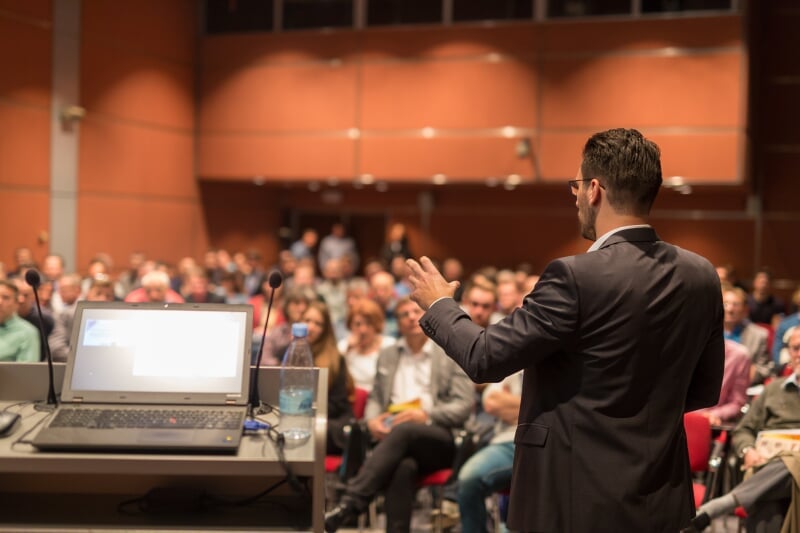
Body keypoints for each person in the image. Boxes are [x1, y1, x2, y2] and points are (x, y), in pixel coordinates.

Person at [405, 128, 725, 532]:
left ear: (594, 189)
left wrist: (439, 304)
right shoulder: (701, 275)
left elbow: (485, 358)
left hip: (572, 499)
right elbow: (703, 390)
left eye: (576, 185)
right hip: (662, 495)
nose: (574, 197)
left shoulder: (574, 276)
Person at [324, 297, 474, 533]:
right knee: (403, 466)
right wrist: (373, 420)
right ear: (398, 322)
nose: (410, 318)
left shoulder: (448, 352)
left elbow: (464, 404)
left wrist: (425, 416)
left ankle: (350, 502)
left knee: (405, 430)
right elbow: (376, 398)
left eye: (415, 312)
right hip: (396, 441)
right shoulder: (389, 354)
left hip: (440, 439)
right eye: (403, 314)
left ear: (427, 317)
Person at [686, 327, 800, 533]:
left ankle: (720, 505)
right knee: (770, 498)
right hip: (766, 465)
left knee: (780, 478)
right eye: (796, 348)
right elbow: (743, 430)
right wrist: (748, 450)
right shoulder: (774, 389)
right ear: (789, 353)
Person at [301, 299, 354, 455]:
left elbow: (337, 404)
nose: (311, 327)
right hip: (305, 418)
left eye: (318, 324)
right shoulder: (290, 352)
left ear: (325, 330)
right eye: (307, 320)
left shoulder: (335, 359)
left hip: (331, 421)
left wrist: (305, 410)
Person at [723, 285, 772, 385]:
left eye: (736, 305)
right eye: (725, 304)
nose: (730, 310)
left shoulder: (758, 335)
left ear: (745, 310)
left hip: (744, 386)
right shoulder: (707, 332)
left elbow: (763, 368)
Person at [0, 279, 40, 362]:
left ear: (16, 303)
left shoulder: (28, 332)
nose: (0, 302)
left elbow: (26, 372)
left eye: (5, 298)